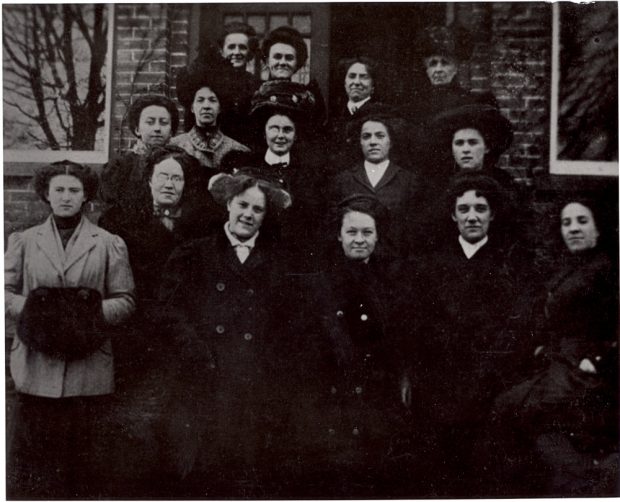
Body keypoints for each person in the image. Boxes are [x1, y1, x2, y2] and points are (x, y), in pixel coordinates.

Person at [157, 170, 292, 498]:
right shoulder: (194, 253)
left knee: (247, 466)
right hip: (204, 376)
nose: (248, 214)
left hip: (254, 381)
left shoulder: (276, 262)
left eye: (257, 210)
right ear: (229, 205)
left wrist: (269, 360)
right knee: (203, 467)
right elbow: (168, 311)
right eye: (243, 205)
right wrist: (197, 352)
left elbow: (287, 321)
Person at [5, 161, 135, 499]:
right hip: (36, 364)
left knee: (84, 468)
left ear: (86, 196)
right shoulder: (23, 241)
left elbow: (125, 299)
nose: (66, 197)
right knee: (36, 466)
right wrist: (37, 311)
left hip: (87, 368)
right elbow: (4, 292)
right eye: (59, 190)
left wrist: (86, 314)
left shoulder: (108, 243)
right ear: (46, 195)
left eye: (74, 190)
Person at [407, 172, 530, 496]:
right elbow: (419, 327)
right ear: (453, 215)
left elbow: (517, 328)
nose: (472, 216)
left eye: (480, 208)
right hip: (439, 387)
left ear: (492, 214)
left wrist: (489, 374)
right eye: (464, 209)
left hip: (490, 389)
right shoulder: (431, 266)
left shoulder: (510, 265)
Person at [489, 197, 619, 496]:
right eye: (567, 222)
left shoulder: (608, 271)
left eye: (582, 221)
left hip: (584, 370)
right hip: (559, 362)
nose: (573, 228)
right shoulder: (569, 267)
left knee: (535, 413)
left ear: (598, 229)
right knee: (506, 406)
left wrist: (601, 360)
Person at [284, 194, 411, 498]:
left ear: (378, 236)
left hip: (377, 399)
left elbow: (399, 341)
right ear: (339, 235)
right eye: (351, 232)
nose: (359, 240)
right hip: (332, 401)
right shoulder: (319, 284)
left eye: (367, 233)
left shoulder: (392, 282)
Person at [329, 104, 422, 259]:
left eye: (380, 136)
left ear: (390, 142)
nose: (373, 142)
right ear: (359, 142)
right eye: (366, 136)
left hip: (395, 264)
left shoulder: (409, 181)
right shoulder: (342, 180)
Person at [100, 94, 179, 210]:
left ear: (171, 131)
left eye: (163, 122)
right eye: (150, 122)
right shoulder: (119, 167)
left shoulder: (181, 164)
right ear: (137, 129)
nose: (157, 128)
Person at [172, 62, 250, 171]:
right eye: (200, 100)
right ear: (192, 108)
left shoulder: (238, 149)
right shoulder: (175, 147)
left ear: (220, 108)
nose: (206, 106)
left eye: (212, 100)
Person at [255, 26, 326, 130]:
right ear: (267, 61)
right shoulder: (255, 93)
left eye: (289, 58)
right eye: (277, 57)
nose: (283, 62)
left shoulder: (308, 97)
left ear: (297, 63)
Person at [328, 56, 382, 165]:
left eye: (363, 77)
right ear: (345, 83)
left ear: (373, 86)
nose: (356, 82)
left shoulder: (380, 115)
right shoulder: (335, 116)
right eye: (352, 76)